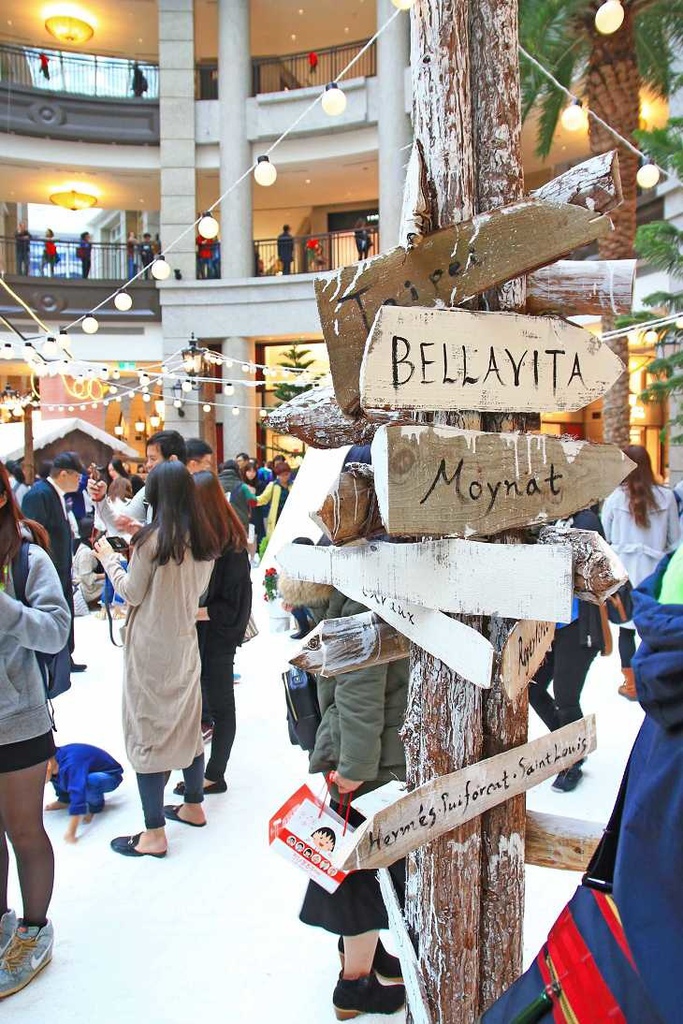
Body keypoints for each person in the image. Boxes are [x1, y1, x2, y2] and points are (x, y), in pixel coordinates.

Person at [279, 564, 408, 1019]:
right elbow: (358, 692)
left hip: (358, 754)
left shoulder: (354, 589)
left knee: (356, 865)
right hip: (367, 762)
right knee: (361, 876)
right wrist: (354, 767)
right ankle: (354, 985)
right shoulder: (364, 595)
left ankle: (366, 958)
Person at [94, 461, 225, 857]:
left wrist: (109, 559)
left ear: (155, 496)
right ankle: (193, 806)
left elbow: (131, 593)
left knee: (147, 732)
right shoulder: (204, 540)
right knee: (187, 725)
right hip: (185, 643)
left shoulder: (152, 541)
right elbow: (197, 591)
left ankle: (153, 834)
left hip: (150, 649)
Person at [0, 461, 71, 999]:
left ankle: (32, 929)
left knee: (23, 831)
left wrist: (5, 610)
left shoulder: (27, 557)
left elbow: (55, 631)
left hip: (17, 721)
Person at [173, 472, 251, 797]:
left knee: (221, 706)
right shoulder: (204, 537)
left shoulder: (231, 547)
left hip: (217, 636)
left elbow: (230, 607)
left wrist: (189, 613)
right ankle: (203, 774)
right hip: (200, 634)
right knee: (204, 704)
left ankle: (215, 775)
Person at [528, 508, 609, 792]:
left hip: (579, 626)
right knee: (533, 689)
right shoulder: (544, 518)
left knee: (566, 698)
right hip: (551, 626)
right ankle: (570, 743)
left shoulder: (585, 520)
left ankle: (571, 762)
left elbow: (601, 567)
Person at [601, 444, 679, 700]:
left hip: (623, 575)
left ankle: (631, 684)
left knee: (626, 629)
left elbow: (605, 537)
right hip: (653, 575)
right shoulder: (666, 497)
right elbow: (673, 540)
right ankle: (651, 681)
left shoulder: (614, 498)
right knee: (650, 628)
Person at [22, 452, 87, 674]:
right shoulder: (39, 495)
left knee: (64, 610)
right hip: (47, 569)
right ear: (63, 474)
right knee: (53, 613)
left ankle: (65, 658)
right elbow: (32, 535)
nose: (79, 481)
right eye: (77, 476)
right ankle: (55, 661)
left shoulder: (56, 494)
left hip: (61, 567)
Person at [88, 429, 187, 534]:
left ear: (172, 460)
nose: (148, 465)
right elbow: (120, 523)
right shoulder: (148, 491)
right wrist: (100, 498)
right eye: (147, 459)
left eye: (153, 459)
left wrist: (143, 533)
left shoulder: (192, 493)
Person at [45, 743, 123, 844]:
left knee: (88, 782)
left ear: (48, 766)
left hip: (110, 775)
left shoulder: (71, 765)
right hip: (82, 769)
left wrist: (71, 831)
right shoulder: (54, 761)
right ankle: (65, 800)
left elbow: (78, 794)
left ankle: (96, 806)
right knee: (57, 777)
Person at [256, 461, 294, 542]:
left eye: (286, 474)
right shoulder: (273, 485)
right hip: (277, 518)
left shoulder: (293, 485)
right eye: (282, 475)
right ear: (278, 475)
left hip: (291, 518)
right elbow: (263, 499)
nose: (285, 477)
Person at [218, 459, 254, 532]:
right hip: (239, 523)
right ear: (237, 470)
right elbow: (253, 502)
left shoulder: (215, 484)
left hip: (220, 523)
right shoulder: (243, 486)